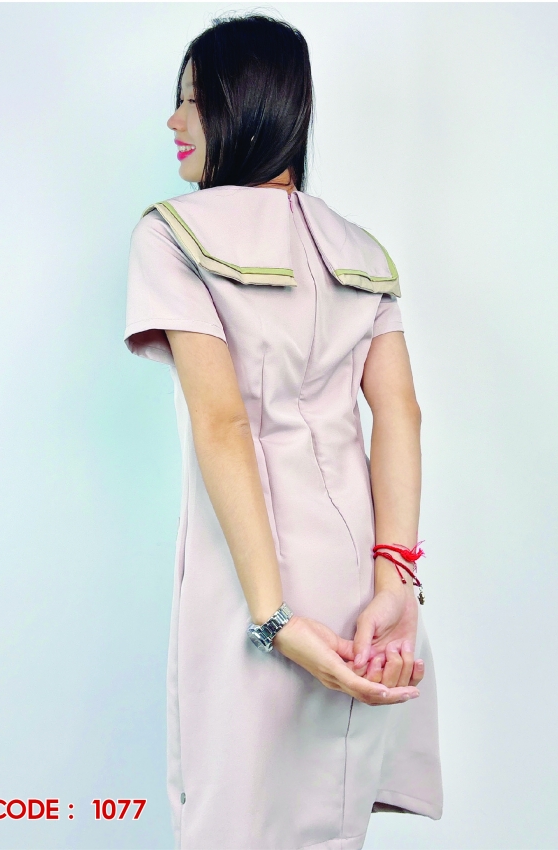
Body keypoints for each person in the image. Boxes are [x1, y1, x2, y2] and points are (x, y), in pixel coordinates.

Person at [124, 13, 442, 850]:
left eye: (192, 100)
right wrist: (396, 580)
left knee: (237, 818)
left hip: (255, 578)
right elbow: (400, 413)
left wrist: (271, 618)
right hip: (367, 589)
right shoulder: (363, 251)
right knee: (330, 824)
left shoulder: (174, 232)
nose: (174, 120)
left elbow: (224, 422)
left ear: (244, 103)